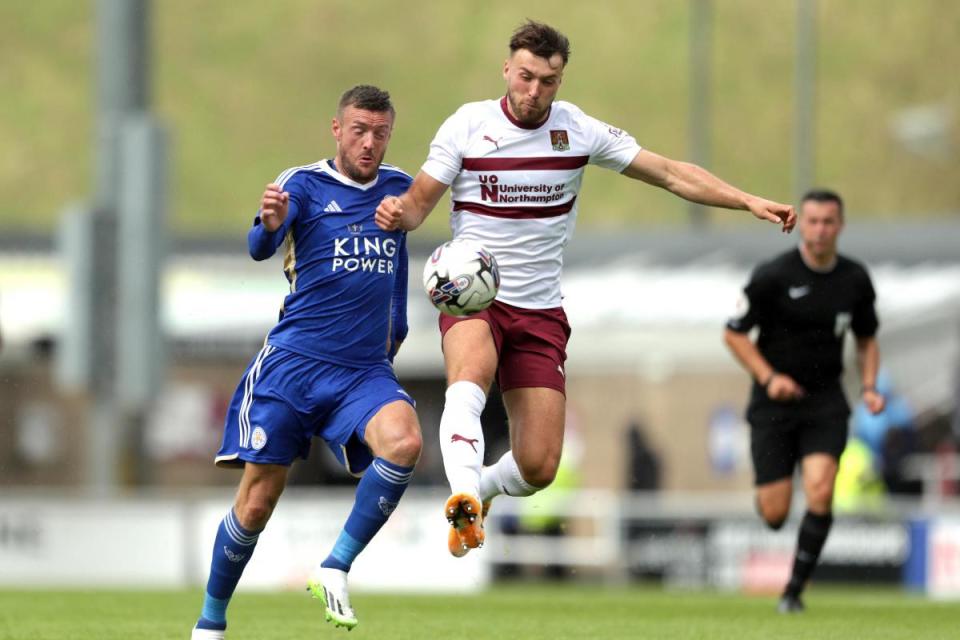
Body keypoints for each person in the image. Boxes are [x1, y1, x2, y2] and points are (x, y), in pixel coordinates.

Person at [375, 20, 797, 559]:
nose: (533, 91)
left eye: (547, 82)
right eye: (525, 76)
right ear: (507, 69)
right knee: (469, 381)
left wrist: (747, 201)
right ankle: (462, 499)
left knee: (539, 467)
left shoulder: (577, 131)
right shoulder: (467, 126)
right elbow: (417, 204)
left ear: (560, 80)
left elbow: (669, 172)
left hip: (541, 310)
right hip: (472, 295)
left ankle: (477, 489)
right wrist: (398, 212)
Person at [191, 85, 421, 638]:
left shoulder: (401, 189)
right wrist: (269, 223)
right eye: (359, 131)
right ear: (337, 130)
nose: (370, 143)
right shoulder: (304, 184)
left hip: (363, 369)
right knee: (257, 503)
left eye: (381, 133)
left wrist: (398, 332)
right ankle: (210, 623)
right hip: (294, 366)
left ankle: (335, 566)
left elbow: (398, 269)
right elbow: (259, 246)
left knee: (406, 442)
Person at [723, 188, 885, 613]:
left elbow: (867, 339)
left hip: (825, 401)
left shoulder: (855, 279)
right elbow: (733, 333)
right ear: (800, 225)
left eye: (828, 222)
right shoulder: (774, 275)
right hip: (773, 404)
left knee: (820, 490)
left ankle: (793, 592)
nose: (820, 230)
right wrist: (769, 377)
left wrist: (869, 387)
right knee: (775, 513)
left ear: (840, 226)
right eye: (812, 221)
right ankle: (774, 506)